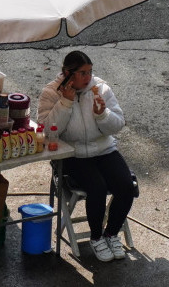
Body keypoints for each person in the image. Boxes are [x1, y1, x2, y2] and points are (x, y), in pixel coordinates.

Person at [37, 50, 135, 262]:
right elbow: (47, 131)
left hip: (104, 149)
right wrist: (65, 103)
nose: (87, 78)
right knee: (97, 187)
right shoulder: (51, 93)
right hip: (73, 154)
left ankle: (111, 233)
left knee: (126, 185)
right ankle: (96, 237)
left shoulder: (101, 88)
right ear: (67, 73)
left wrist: (102, 115)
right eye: (82, 73)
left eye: (90, 72)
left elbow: (118, 124)